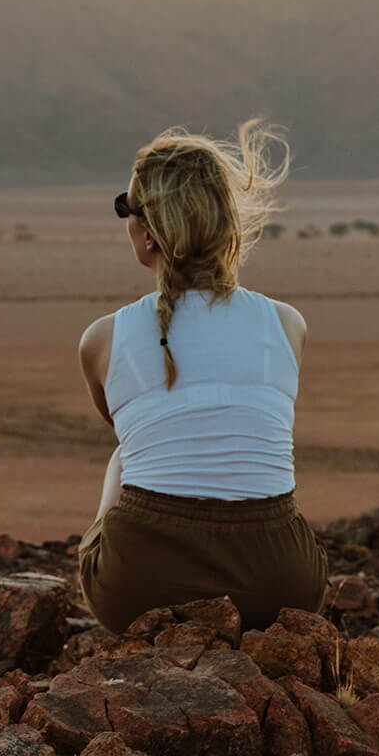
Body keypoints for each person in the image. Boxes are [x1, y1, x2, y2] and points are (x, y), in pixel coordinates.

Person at [76, 116, 328, 633]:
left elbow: (126, 432)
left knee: (128, 453)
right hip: (281, 587)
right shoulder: (286, 324)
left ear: (146, 234)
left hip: (139, 588)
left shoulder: (102, 340)